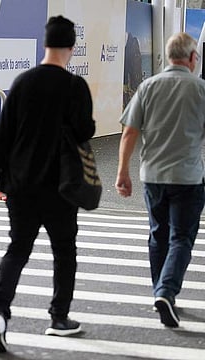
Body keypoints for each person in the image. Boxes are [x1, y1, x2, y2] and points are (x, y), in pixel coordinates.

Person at [0, 15, 95, 352]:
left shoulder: (23, 82)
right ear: (71, 47)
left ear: (45, 44)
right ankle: (59, 318)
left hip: (21, 185)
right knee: (64, 251)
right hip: (61, 187)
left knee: (17, 249)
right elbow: (85, 132)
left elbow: (2, 137)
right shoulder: (75, 87)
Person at [115, 32, 205, 328]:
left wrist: (123, 172)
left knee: (158, 234)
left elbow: (129, 132)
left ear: (169, 57)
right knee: (181, 238)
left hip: (152, 176)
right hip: (188, 178)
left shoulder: (148, 87)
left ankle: (160, 292)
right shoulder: (201, 89)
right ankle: (166, 291)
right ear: (192, 58)